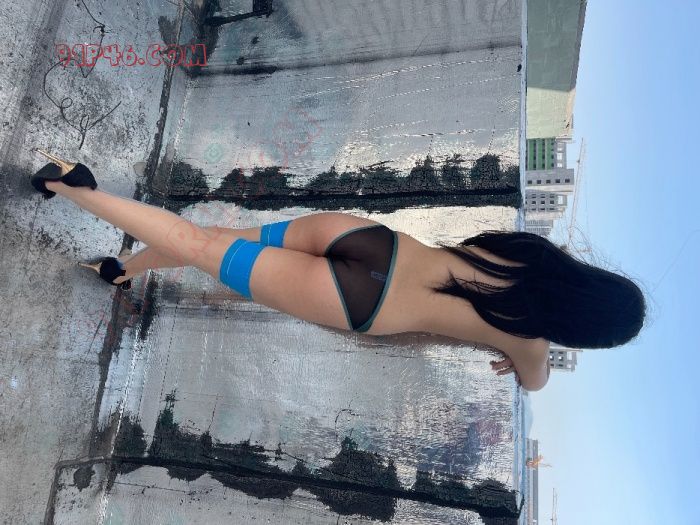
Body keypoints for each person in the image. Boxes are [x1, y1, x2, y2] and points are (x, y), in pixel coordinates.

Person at [30, 150, 647, 391]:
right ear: (582, 332)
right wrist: (518, 352)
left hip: (365, 238)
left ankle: (122, 269)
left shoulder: (530, 256)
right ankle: (74, 188)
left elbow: (468, 253)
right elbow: (535, 383)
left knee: (213, 241)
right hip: (357, 300)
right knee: (198, 246)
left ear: (591, 281)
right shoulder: (530, 343)